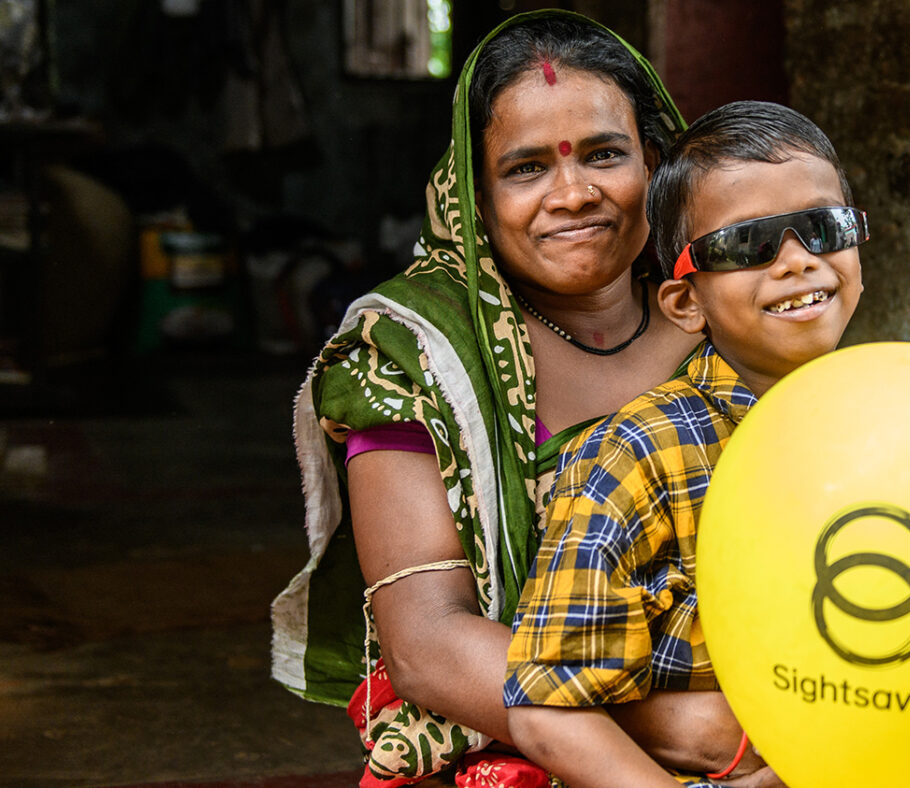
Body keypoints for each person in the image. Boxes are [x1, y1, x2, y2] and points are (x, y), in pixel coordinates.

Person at [272, 10, 747, 786]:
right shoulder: (416, 355)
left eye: (605, 154)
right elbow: (429, 644)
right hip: (523, 750)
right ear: (475, 194)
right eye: (527, 168)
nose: (573, 193)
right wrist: (691, 734)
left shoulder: (726, 319)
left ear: (658, 165)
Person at [503, 101, 869, 787]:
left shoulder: (902, 425)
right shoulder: (640, 455)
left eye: (823, 228)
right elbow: (547, 706)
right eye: (746, 245)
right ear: (685, 303)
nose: (796, 261)